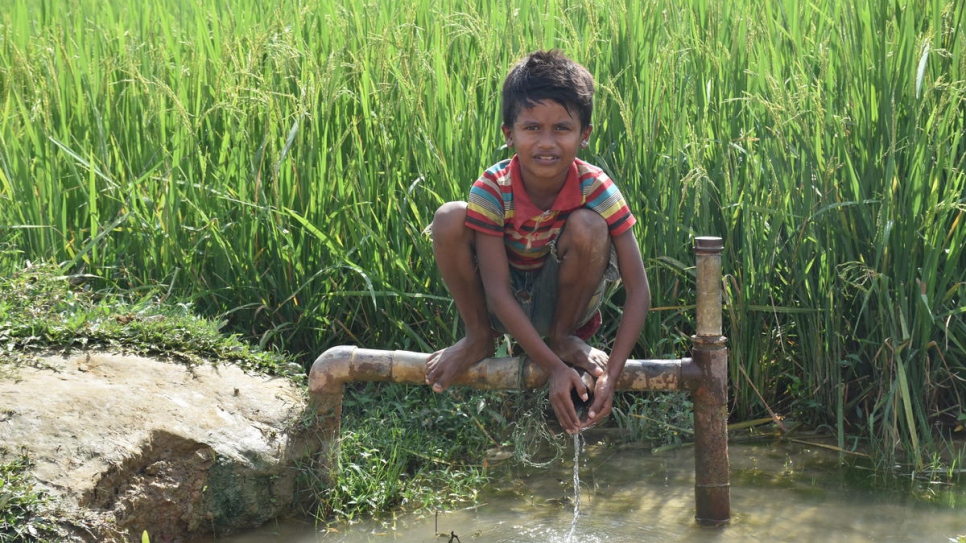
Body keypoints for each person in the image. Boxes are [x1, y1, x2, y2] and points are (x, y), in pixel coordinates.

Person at [425, 49, 651, 434]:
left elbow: (639, 291)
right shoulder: (492, 188)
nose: (547, 142)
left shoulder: (596, 187)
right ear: (509, 134)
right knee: (449, 217)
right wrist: (555, 370)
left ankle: (563, 337)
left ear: (584, 136)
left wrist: (612, 375)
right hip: (501, 305)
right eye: (532, 128)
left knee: (589, 227)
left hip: (564, 304)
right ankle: (478, 335)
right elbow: (497, 292)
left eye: (562, 128)